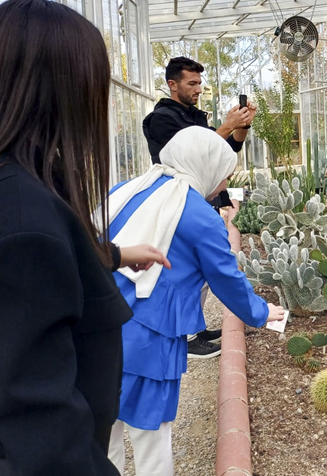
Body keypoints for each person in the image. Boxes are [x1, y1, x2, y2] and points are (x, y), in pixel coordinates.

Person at [0, 1, 168, 474]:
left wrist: (109, 255)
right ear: (64, 91)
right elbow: (42, 440)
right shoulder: (25, 225)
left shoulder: (23, 190)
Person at [105, 126, 285, 476]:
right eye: (223, 176)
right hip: (149, 334)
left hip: (97, 326)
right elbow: (227, 280)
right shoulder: (199, 215)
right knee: (150, 438)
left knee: (102, 433)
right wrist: (264, 313)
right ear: (205, 166)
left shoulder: (124, 190)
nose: (221, 185)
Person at [143, 56, 258, 358]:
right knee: (186, 268)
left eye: (199, 83)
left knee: (201, 272)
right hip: (181, 200)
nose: (197, 89)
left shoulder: (195, 116)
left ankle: (197, 326)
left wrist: (241, 127)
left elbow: (223, 151)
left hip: (203, 198)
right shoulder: (161, 119)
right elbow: (191, 154)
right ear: (172, 84)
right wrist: (224, 126)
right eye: (191, 83)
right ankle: (186, 336)